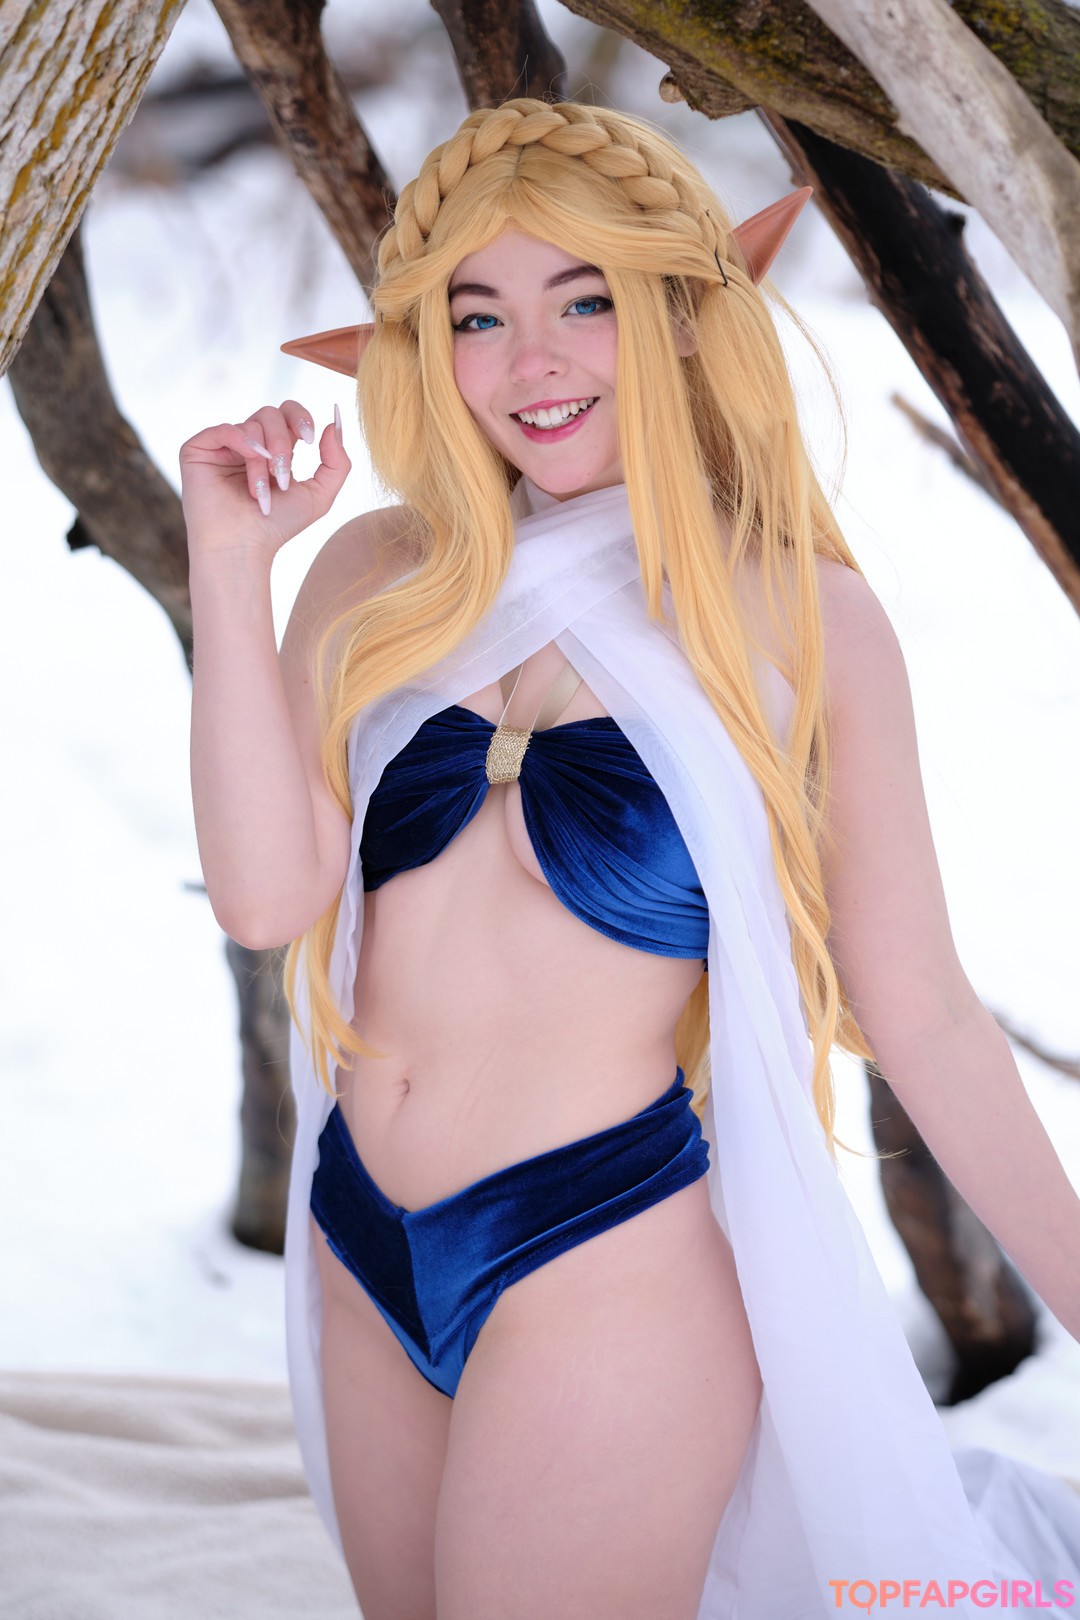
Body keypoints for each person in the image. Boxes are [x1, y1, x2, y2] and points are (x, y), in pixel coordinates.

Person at [182, 100, 1080, 1620]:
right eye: (480, 315)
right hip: (360, 1236)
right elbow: (271, 900)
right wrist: (228, 563)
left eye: (584, 299)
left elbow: (921, 1013)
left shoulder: (794, 615)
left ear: (676, 312)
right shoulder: (379, 572)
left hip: (599, 1255)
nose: (532, 362)